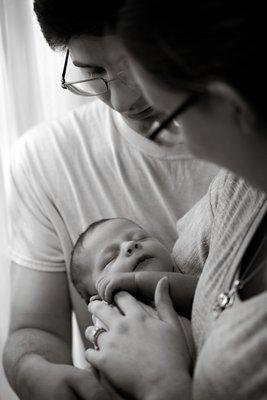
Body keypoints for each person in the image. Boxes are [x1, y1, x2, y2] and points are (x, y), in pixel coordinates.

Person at [2, 1, 217, 399]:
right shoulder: (45, 159)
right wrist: (35, 374)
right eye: (93, 72)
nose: (121, 101)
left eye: (138, 62)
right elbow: (34, 330)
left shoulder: (244, 147)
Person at [84, 1, 267, 399]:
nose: (185, 144)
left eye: (169, 117)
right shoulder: (234, 193)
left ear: (231, 105)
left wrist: (160, 382)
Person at [70, 217, 198, 318]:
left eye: (141, 238)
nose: (130, 244)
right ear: (99, 301)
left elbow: (201, 291)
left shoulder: (186, 273)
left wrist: (137, 281)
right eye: (110, 258)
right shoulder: (115, 325)